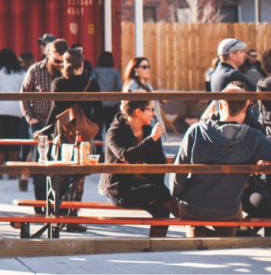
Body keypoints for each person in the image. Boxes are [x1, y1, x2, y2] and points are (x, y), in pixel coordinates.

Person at [172, 84, 271, 237]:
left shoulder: (196, 130)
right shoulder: (254, 137)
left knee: (194, 216)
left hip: (192, 206)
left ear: (220, 104)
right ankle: (225, 246)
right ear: (245, 108)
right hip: (228, 208)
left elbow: (178, 172)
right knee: (229, 212)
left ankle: (196, 243)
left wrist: (177, 194)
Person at [99, 99, 177, 237]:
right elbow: (126, 156)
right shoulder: (115, 132)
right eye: (151, 109)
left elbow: (159, 164)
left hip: (145, 187)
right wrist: (151, 140)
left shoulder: (149, 132)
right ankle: (191, 221)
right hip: (119, 189)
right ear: (138, 112)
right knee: (158, 191)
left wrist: (153, 191)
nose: (154, 114)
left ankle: (155, 248)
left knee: (162, 211)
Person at [20, 39, 69, 203]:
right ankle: (41, 206)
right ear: (48, 54)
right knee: (40, 167)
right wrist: (30, 118)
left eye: (63, 62)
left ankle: (57, 205)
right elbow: (23, 94)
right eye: (57, 61)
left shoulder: (67, 70)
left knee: (61, 167)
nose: (60, 64)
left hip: (61, 126)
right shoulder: (35, 70)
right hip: (39, 124)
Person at [0, 48, 26, 180]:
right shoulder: (21, 72)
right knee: (13, 141)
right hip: (15, 110)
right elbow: (25, 89)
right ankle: (12, 172)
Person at [47, 50, 101, 132]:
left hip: (64, 129)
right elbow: (98, 109)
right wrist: (93, 126)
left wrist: (46, 130)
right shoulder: (92, 84)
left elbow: (56, 109)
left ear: (64, 64)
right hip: (85, 130)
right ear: (82, 64)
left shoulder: (58, 83)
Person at [92, 52, 123, 134]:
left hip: (99, 103)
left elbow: (91, 83)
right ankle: (110, 146)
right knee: (111, 130)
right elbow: (120, 87)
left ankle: (98, 147)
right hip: (113, 104)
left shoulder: (96, 71)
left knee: (97, 130)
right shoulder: (115, 72)